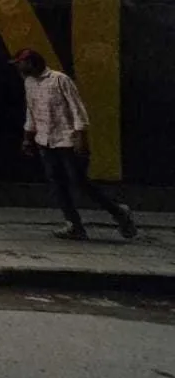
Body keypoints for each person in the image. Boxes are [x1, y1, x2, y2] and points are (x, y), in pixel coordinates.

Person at [13, 48, 137, 240]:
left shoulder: (59, 80)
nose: (19, 67)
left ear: (31, 62)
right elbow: (32, 110)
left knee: (80, 182)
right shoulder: (29, 83)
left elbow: (77, 109)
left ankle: (119, 211)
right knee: (57, 184)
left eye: (21, 63)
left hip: (67, 140)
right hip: (45, 140)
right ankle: (74, 224)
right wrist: (28, 138)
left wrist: (81, 138)